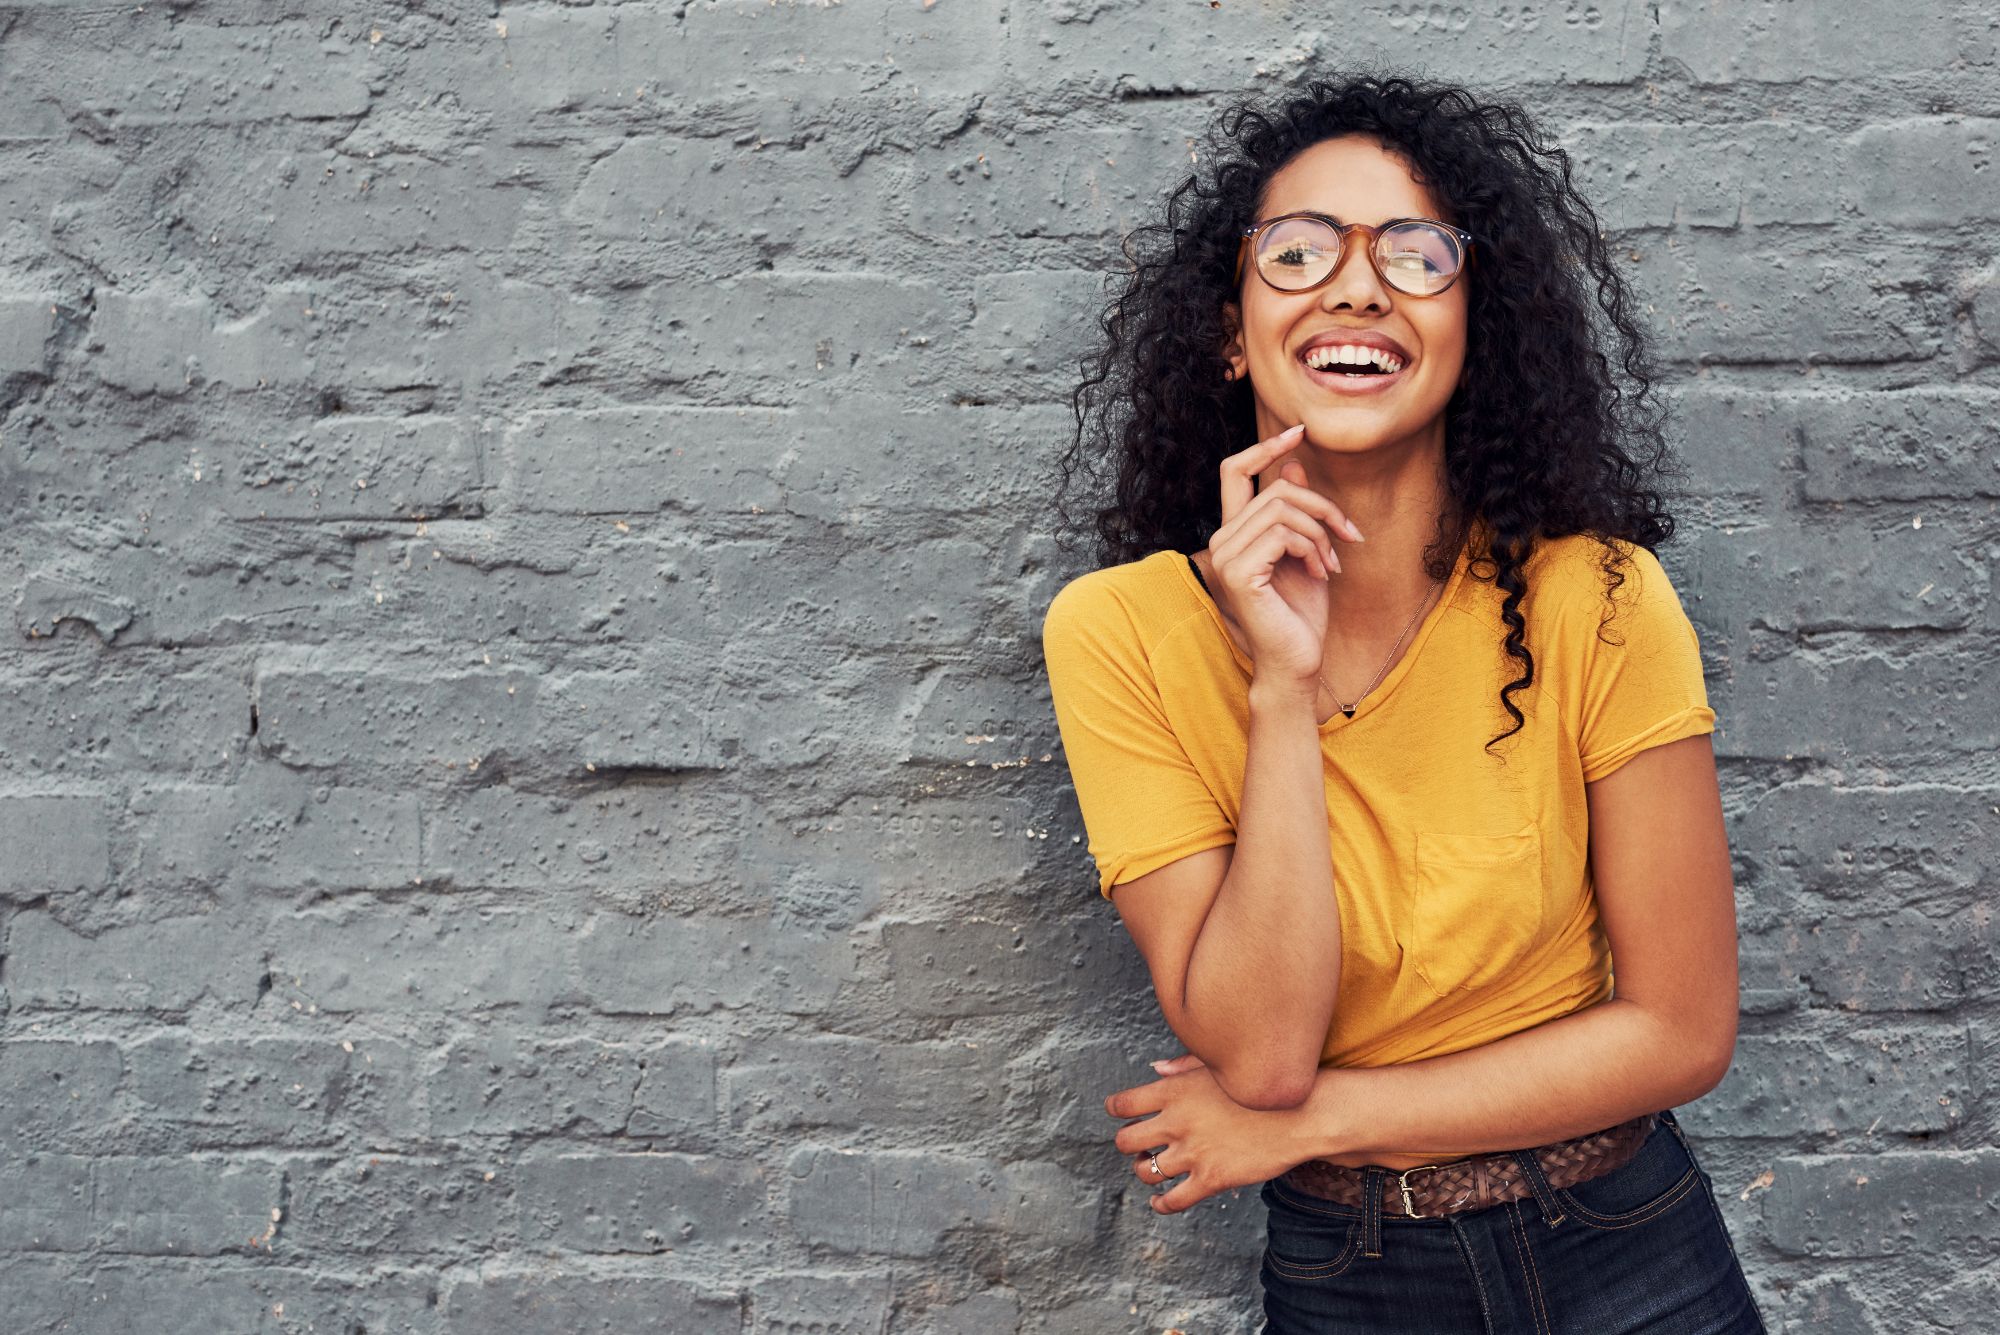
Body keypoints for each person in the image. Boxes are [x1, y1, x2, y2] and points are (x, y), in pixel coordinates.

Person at [1039, 74, 1767, 1333]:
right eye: (1300, 250)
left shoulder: (1593, 597)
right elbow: (1257, 1055)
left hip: (1627, 1250)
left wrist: (1323, 1119)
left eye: (1416, 255)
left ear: (1471, 324)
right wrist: (1280, 686)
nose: (1359, 285)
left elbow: (1679, 1030)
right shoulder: (1118, 634)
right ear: (1230, 329)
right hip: (1351, 1277)